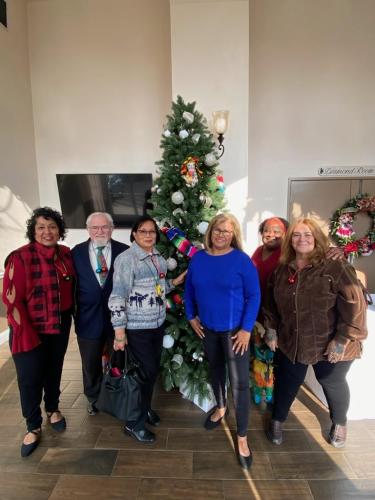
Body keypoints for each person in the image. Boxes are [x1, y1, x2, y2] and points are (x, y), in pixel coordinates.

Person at [263, 218, 367, 448]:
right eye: (297, 235)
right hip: (293, 339)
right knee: (288, 381)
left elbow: (355, 304)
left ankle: (339, 423)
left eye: (308, 234)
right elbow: (270, 304)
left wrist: (341, 340)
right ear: (290, 241)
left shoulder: (335, 267)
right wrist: (271, 329)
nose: (302, 239)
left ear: (317, 238)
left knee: (331, 381)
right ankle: (278, 420)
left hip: (330, 340)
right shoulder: (282, 270)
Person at [184, 213, 261, 469]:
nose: (221, 234)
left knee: (239, 384)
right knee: (215, 370)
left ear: (233, 235)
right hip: (208, 330)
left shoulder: (242, 261)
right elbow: (189, 291)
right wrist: (191, 316)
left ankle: (241, 437)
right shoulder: (199, 259)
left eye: (227, 231)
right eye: (218, 229)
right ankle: (220, 407)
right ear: (211, 231)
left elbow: (254, 296)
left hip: (235, 333)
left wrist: (247, 329)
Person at [2, 207, 76, 457]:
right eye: (41, 227)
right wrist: (27, 332)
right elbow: (12, 301)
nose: (47, 232)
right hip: (28, 329)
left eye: (52, 227)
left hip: (60, 325)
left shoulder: (65, 255)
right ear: (33, 231)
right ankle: (33, 425)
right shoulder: (19, 258)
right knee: (30, 378)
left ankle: (53, 408)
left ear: (59, 230)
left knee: (54, 369)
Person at [108, 215, 186, 443]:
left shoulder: (157, 257)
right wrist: (119, 333)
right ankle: (134, 423)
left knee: (150, 373)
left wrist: (175, 283)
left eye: (152, 231)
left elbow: (158, 288)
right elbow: (117, 297)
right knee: (144, 373)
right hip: (136, 329)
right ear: (134, 234)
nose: (149, 235)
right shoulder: (127, 259)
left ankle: (145, 408)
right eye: (143, 231)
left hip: (156, 324)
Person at [71, 212, 128, 416]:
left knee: (118, 360)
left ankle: (117, 395)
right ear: (88, 230)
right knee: (90, 362)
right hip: (87, 318)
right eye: (95, 228)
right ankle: (93, 397)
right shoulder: (75, 253)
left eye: (104, 227)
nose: (100, 231)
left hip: (118, 321)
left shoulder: (125, 252)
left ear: (112, 229)